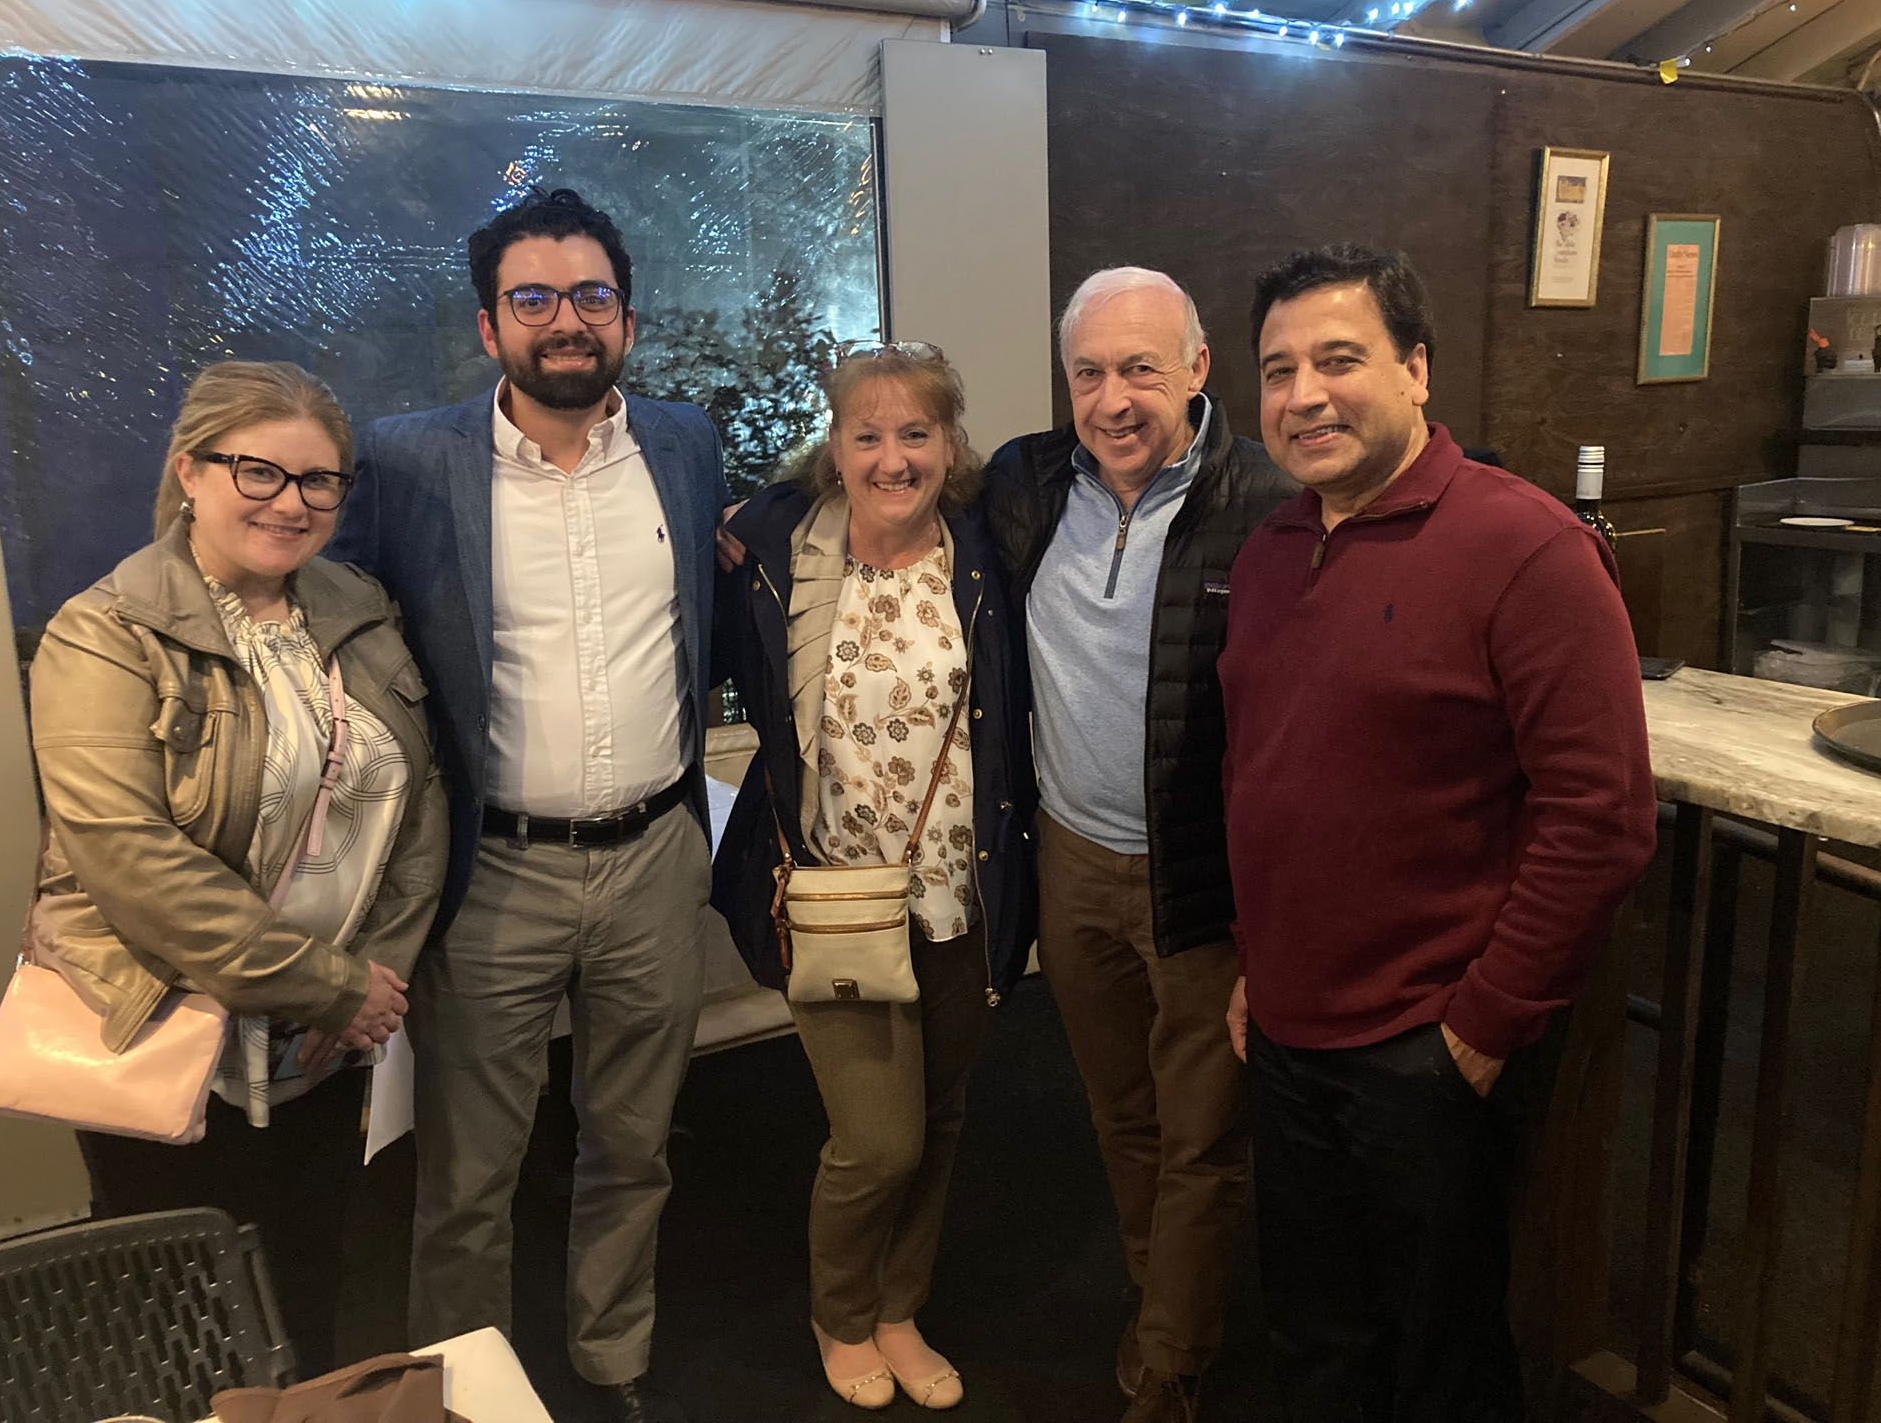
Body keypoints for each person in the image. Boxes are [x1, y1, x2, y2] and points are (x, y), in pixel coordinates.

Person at [1219, 243, 1657, 1422]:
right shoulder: (1266, 554)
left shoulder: (1526, 547)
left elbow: (1603, 818)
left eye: (1338, 359)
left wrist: (1481, 1026)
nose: (1303, 393)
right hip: (1290, 1034)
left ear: (1417, 371)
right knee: (1315, 1339)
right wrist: (1262, 968)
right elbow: (1268, 776)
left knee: (1444, 1356)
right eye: (1278, 369)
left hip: (1429, 1048)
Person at [329, 187, 728, 1423]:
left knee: (632, 1146)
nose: (568, 320)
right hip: (492, 871)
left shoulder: (684, 442)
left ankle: (610, 1366)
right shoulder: (404, 459)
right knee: (468, 1173)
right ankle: (464, 1394)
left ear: (627, 315)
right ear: (488, 323)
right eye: (536, 298)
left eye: (592, 295)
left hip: (658, 855)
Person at [28, 360, 447, 1377]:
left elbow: (420, 804)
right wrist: (332, 984)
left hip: (320, 1041)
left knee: (308, 1277)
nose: (290, 503)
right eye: (257, 473)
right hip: (170, 1030)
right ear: (191, 471)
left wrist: (367, 992)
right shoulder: (106, 634)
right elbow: (133, 865)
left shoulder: (355, 607)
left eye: (318, 481)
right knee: (186, 1311)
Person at [983, 267, 1293, 1423]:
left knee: (1205, 1134)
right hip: (1071, 857)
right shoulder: (1025, 483)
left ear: (1199, 369)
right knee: (1120, 1112)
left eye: (1141, 368)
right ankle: (1163, 1291)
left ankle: (1171, 1360)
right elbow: (888, 473)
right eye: (1090, 373)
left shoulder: (1265, 502)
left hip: (1201, 876)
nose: (1114, 399)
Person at [712, 342, 1037, 1411]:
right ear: (833, 447)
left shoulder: (987, 548)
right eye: (868, 434)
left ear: (951, 444)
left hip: (962, 892)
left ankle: (900, 1309)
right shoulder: (773, 545)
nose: (892, 458)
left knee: (938, 1121)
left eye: (916, 434)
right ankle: (840, 1313)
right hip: (837, 902)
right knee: (876, 1139)